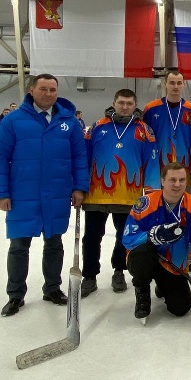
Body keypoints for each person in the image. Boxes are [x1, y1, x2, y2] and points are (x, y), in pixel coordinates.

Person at [0, 74, 89, 317]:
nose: (48, 94)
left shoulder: (69, 122)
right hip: (23, 193)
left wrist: (79, 187)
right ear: (32, 90)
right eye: (43, 89)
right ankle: (15, 295)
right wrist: (0, 192)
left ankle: (52, 288)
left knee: (54, 244)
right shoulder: (13, 121)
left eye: (52, 89)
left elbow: (79, 158)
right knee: (19, 245)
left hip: (57, 193)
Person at [80, 89, 161, 298]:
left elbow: (151, 162)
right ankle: (89, 275)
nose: (125, 107)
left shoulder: (145, 130)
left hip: (129, 195)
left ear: (135, 105)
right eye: (121, 103)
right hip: (96, 194)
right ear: (113, 103)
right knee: (91, 238)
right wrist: (79, 187)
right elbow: (84, 158)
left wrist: (151, 193)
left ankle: (119, 271)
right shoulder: (98, 126)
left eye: (129, 103)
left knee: (123, 237)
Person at [122, 162, 191, 320]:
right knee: (141, 253)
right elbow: (128, 238)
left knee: (180, 308)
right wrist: (153, 235)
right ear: (162, 181)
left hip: (173, 264)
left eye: (182, 180)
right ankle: (142, 290)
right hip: (148, 258)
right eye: (172, 180)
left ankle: (163, 285)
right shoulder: (145, 204)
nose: (177, 184)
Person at [143, 69, 191, 187]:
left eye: (179, 83)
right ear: (165, 84)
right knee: (158, 201)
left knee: (183, 200)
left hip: (185, 164)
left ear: (184, 85)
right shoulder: (151, 109)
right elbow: (145, 139)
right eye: (172, 83)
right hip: (158, 165)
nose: (175, 86)